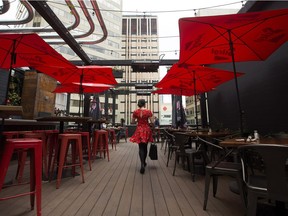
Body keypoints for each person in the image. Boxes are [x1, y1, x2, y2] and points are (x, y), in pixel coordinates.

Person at [130, 99, 154, 174]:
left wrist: (138, 120)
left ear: (138, 104)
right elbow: (152, 122)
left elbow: (132, 122)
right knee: (145, 147)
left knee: (140, 147)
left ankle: (142, 164)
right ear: (145, 104)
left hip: (139, 130)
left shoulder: (135, 112)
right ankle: (144, 162)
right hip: (146, 129)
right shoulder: (148, 111)